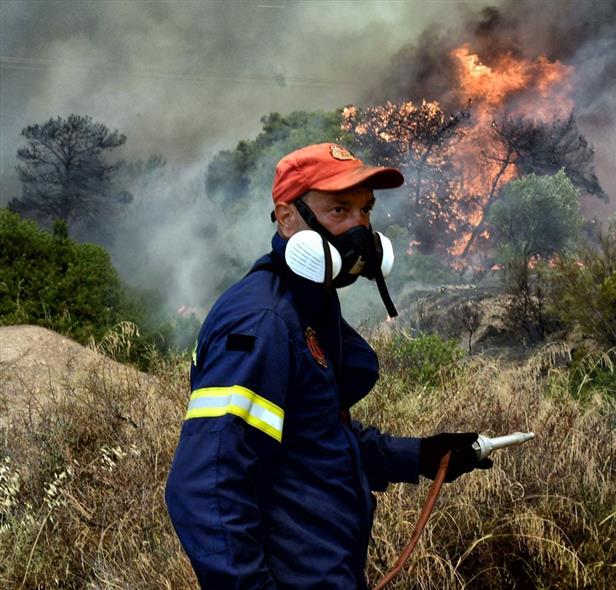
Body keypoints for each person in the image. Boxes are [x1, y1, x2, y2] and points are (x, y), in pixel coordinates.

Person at [165, 143, 492, 589]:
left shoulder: (307, 307)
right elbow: (205, 487)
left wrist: (420, 456)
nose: (360, 228)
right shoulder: (263, 322)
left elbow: (316, 439)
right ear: (287, 218)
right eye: (340, 209)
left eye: (366, 211)